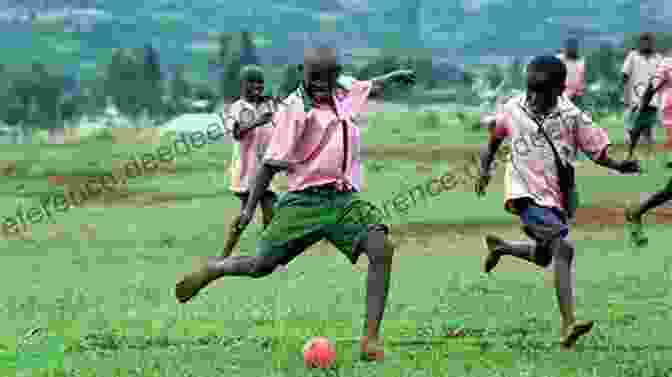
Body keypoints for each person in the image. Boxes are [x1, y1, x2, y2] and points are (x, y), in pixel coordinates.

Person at [175, 46, 416, 361]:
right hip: (303, 201)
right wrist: (248, 209)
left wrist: (395, 75)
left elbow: (371, 85)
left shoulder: (343, 92)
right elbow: (269, 164)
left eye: (326, 78)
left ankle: (369, 341)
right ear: (304, 74)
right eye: (314, 77)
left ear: (335, 77)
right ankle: (215, 268)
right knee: (261, 265)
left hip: (342, 199)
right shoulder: (294, 109)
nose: (319, 83)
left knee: (381, 248)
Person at [475, 55, 640, 349]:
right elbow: (493, 141)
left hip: (557, 197)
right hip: (523, 195)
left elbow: (596, 149)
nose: (535, 98)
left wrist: (619, 165)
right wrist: (484, 171)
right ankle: (568, 324)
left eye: (543, 92)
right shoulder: (513, 109)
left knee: (545, 256)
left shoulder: (571, 115)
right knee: (564, 248)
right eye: (531, 90)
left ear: (560, 90)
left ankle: (502, 247)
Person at [625, 51, 672, 246]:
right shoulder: (667, 64)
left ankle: (636, 213)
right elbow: (651, 88)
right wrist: (640, 108)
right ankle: (636, 213)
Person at [622, 33, 663, 162]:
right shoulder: (632, 56)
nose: (647, 44)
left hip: (653, 100)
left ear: (653, 43)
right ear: (640, 43)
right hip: (634, 100)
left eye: (649, 42)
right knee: (633, 130)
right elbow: (624, 76)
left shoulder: (658, 58)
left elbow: (662, 78)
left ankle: (646, 157)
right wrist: (626, 95)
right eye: (644, 42)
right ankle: (632, 157)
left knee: (647, 129)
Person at [556, 38, 585, 106]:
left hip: (572, 96)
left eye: (573, 48)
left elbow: (580, 85)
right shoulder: (559, 59)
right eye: (569, 48)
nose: (571, 50)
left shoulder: (580, 64)